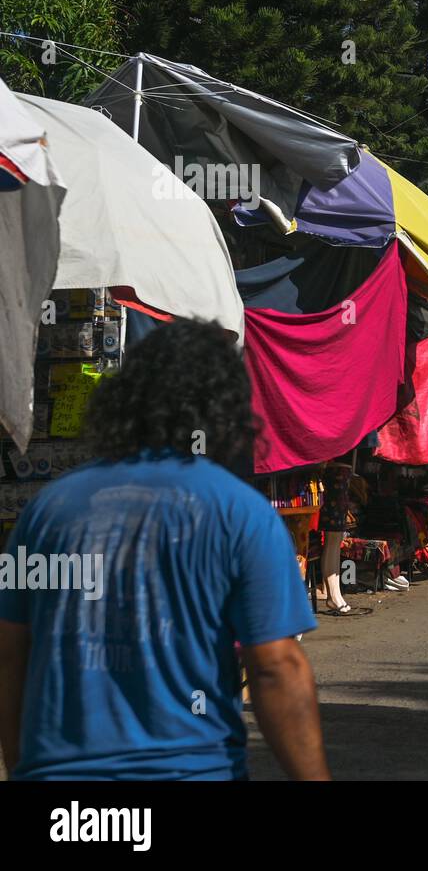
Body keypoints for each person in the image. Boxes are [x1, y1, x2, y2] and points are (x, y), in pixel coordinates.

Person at [0, 319, 327, 781]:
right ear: (225, 409)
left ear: (125, 401)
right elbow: (275, 666)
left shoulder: (46, 512)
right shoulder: (240, 513)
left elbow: (10, 652)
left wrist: (26, 767)